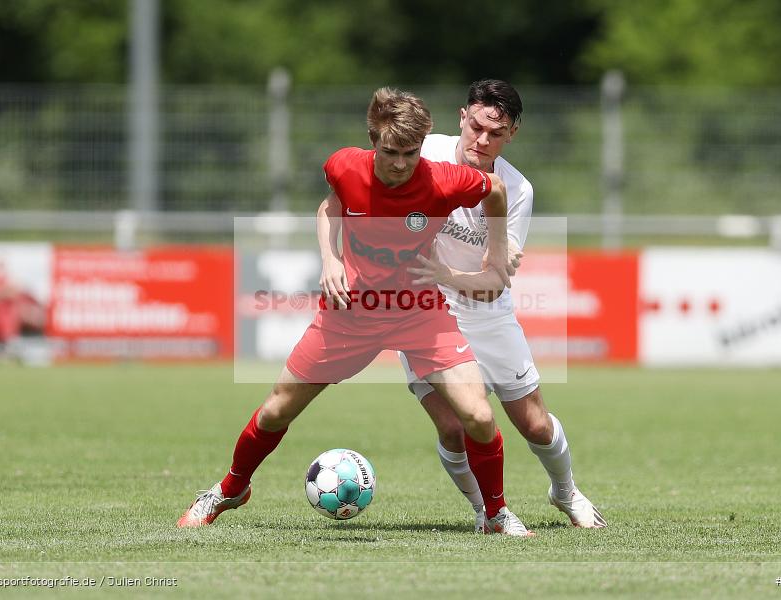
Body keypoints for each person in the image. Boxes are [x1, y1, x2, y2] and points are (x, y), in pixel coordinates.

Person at [179, 87, 534, 536]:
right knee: (274, 412)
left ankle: (497, 514)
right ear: (373, 141)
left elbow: (497, 190)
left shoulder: (445, 179)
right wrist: (331, 260)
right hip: (350, 313)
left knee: (479, 416)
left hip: (419, 311)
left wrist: (497, 256)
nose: (401, 164)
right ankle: (229, 489)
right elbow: (331, 206)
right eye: (390, 152)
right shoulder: (344, 165)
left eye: (411, 152)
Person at [399, 79, 607, 529]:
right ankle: (488, 512)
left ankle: (566, 492)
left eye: (496, 133)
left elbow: (493, 284)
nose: (482, 140)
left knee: (534, 423)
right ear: (461, 117)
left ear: (512, 134)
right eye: (476, 127)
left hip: (485, 311)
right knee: (455, 427)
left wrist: (450, 273)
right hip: (423, 313)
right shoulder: (422, 153)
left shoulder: (516, 189)